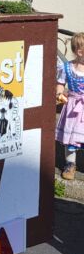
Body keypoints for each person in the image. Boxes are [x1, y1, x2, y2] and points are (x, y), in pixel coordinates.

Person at [56, 32, 84, 180]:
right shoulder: (67, 67)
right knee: (71, 137)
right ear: (80, 52)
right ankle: (70, 164)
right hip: (73, 107)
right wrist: (60, 93)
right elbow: (60, 83)